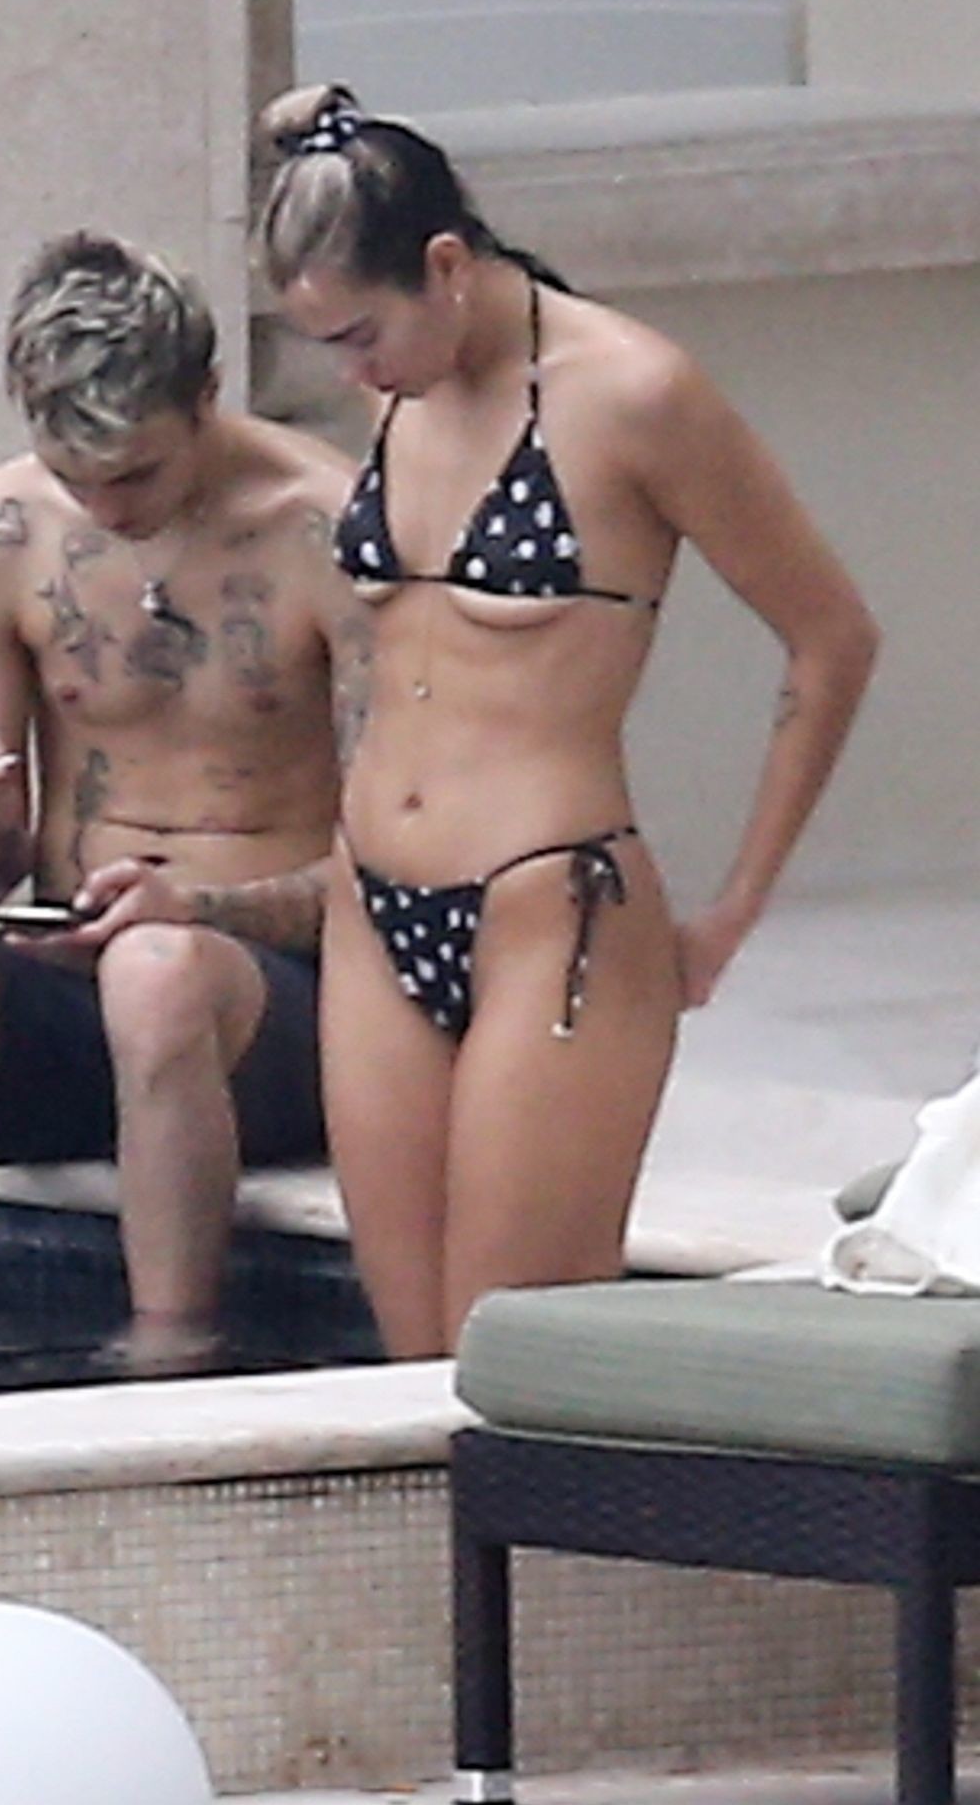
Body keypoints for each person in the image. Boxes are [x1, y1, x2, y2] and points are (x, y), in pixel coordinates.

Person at [258, 83, 879, 1359]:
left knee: (510, 1358)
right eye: (325, 344)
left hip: (554, 904)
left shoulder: (636, 393)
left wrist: (734, 911)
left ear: (446, 266)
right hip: (373, 901)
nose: (350, 372)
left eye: (361, 333)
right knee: (403, 1372)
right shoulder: (399, 389)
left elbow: (832, 638)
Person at [0, 231, 367, 1374]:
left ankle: (166, 1363)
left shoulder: (328, 524)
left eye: (137, 477)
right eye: (77, 479)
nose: (106, 508)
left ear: (207, 396)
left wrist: (197, 913)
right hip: (82, 967)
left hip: (282, 999)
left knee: (157, 972)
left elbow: (402, 859)